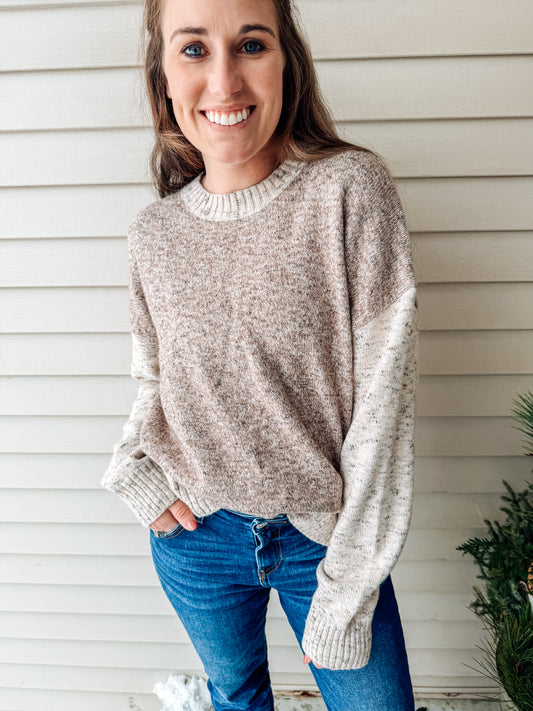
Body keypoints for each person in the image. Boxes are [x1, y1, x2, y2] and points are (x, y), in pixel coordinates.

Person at [102, 0, 419, 708]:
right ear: (162, 73)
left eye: (250, 44)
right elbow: (156, 379)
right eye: (193, 49)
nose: (223, 80)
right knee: (236, 696)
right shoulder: (152, 233)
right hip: (197, 536)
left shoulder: (349, 190)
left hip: (322, 541)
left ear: (287, 62)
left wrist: (347, 585)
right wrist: (133, 468)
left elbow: (384, 406)